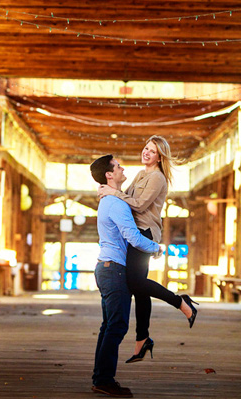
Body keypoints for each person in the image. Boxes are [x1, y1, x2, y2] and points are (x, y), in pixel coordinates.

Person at [97, 136, 198, 362]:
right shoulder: (141, 174)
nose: (146, 153)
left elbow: (140, 204)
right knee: (139, 288)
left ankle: (181, 303)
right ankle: (142, 341)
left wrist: (113, 193)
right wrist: (109, 192)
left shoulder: (157, 177)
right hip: (137, 231)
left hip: (145, 233)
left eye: (152, 151)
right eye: (145, 148)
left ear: (159, 157)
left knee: (136, 283)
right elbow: (126, 200)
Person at [90, 154, 162, 398]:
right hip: (113, 269)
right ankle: (104, 379)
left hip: (107, 267)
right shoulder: (117, 203)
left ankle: (101, 378)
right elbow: (133, 237)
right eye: (118, 166)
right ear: (109, 174)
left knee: (108, 325)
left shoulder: (112, 199)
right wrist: (157, 248)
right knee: (117, 325)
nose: (123, 168)